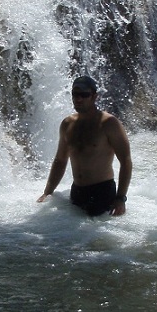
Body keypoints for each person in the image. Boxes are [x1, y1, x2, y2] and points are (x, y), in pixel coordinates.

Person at [37, 75, 132, 217]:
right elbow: (60, 160)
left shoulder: (109, 123)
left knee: (94, 237)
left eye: (84, 95)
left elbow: (125, 161)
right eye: (75, 94)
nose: (78, 99)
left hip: (102, 192)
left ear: (94, 97)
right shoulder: (67, 124)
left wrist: (121, 198)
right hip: (77, 192)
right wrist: (47, 192)